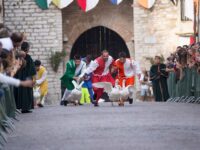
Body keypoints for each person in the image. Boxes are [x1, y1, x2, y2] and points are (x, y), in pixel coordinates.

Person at [14, 41, 36, 113]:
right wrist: (33, 77)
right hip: (26, 78)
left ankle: (18, 107)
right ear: (27, 48)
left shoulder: (17, 56)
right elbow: (32, 69)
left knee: (18, 91)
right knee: (26, 93)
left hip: (18, 77)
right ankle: (25, 108)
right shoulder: (28, 57)